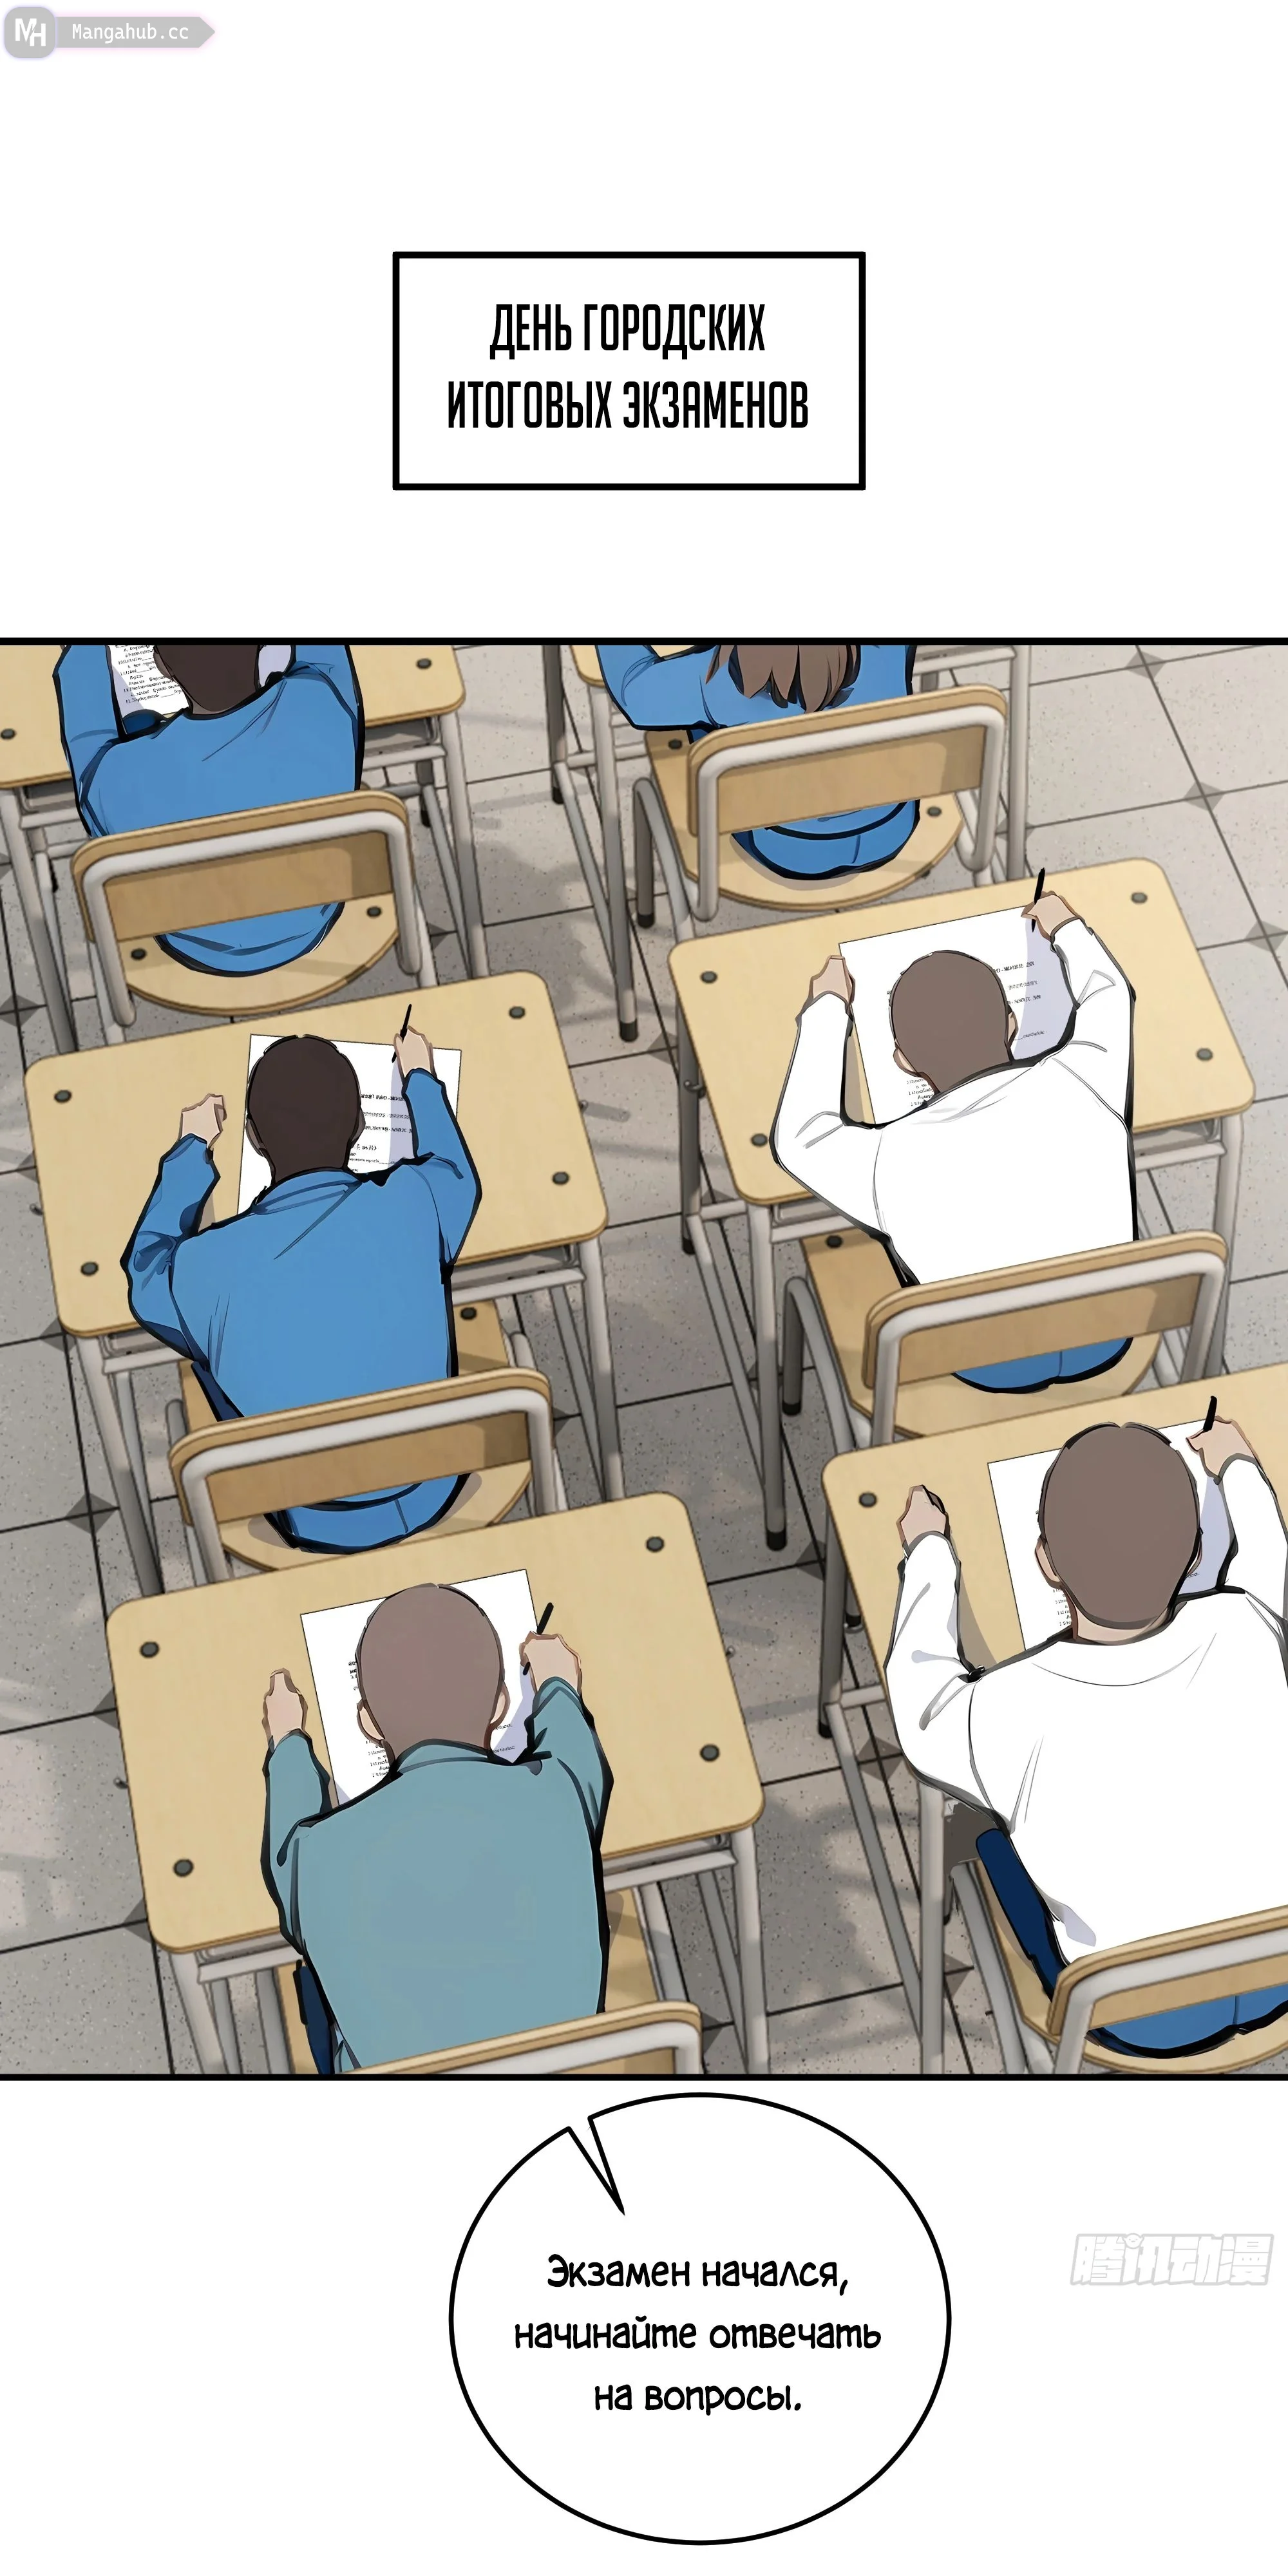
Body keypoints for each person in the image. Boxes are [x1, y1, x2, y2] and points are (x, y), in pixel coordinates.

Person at [886, 1419, 1288, 2058]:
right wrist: (1238, 1464)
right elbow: (1270, 1559)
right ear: (1194, 1557)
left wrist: (929, 1550)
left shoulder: (1006, 1706)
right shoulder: (1247, 1624)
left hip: (1129, 2014)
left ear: (1045, 1562)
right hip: (1276, 1974)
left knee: (982, 1834)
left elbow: (922, 1706)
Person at [123, 1025, 480, 1550]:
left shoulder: (203, 1265)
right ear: (360, 1125)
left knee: (209, 1352)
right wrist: (421, 1078)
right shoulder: (417, 1198)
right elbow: (455, 1170)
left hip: (307, 1512)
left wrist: (190, 1150)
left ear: (253, 1137)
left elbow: (146, 1270)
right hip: (435, 1482)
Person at [772, 887, 1135, 1392]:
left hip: (985, 1361)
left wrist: (827, 1007)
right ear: (1011, 1024)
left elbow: (799, 1137)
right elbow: (1109, 993)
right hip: (1110, 1330)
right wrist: (1066, 926)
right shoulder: (1085, 1078)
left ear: (904, 1062)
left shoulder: (883, 1158)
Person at [260, 1589, 612, 2071]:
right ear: (501, 1705)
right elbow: (574, 1744)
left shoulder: (314, 1857)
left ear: (368, 1724)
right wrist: (556, 1682)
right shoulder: (562, 1791)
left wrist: (287, 1739)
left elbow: (286, 1840)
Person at [54, 642, 363, 974]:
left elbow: (87, 737)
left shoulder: (119, 776)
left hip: (194, 943)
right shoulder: (319, 703)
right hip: (311, 920)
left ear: (161, 665)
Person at [596, 643, 919, 879]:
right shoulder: (888, 649)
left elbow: (633, 691)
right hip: (892, 826)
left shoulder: (714, 679)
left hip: (785, 847)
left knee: (704, 724)